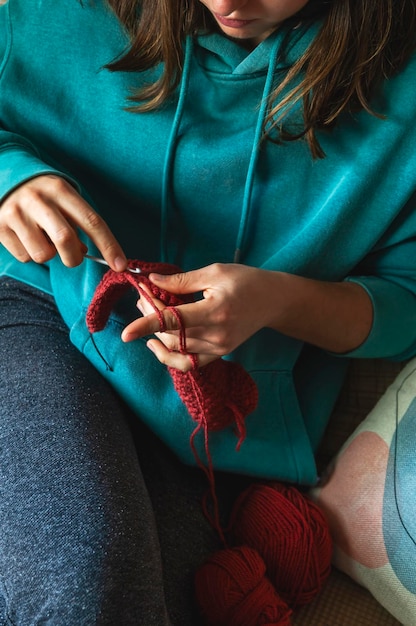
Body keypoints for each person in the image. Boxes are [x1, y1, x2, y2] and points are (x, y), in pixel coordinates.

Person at [1, 0, 416, 623]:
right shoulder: (57, 14)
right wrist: (10, 176)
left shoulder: (402, 93)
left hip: (214, 432)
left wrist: (279, 299)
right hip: (39, 317)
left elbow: (404, 302)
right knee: (91, 579)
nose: (229, 2)